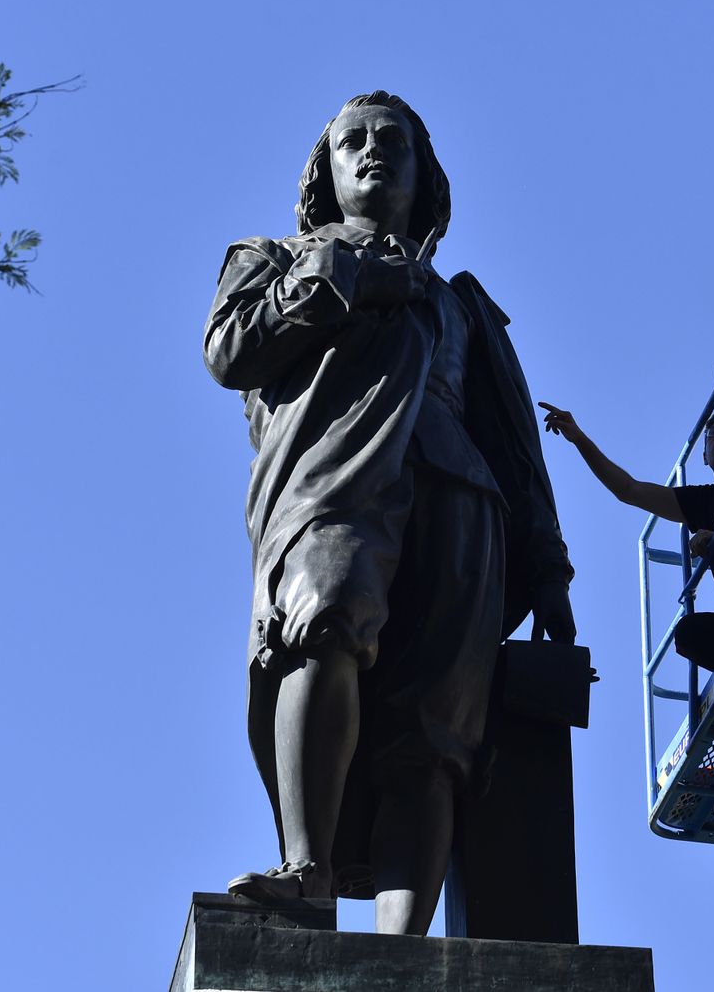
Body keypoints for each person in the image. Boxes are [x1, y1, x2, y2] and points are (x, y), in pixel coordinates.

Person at [204, 91, 575, 936]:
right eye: (353, 142)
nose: (374, 152)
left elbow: (517, 445)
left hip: (459, 500)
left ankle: (404, 946)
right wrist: (345, 273)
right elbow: (230, 351)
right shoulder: (274, 258)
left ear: (424, 171)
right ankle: (310, 867)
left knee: (435, 729)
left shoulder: (464, 304)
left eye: (393, 141)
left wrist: (547, 568)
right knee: (322, 619)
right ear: (325, 173)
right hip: (331, 477)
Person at [539, 402, 714, 671]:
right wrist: (579, 439)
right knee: (689, 635)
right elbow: (628, 490)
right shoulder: (702, 500)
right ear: (704, 456)